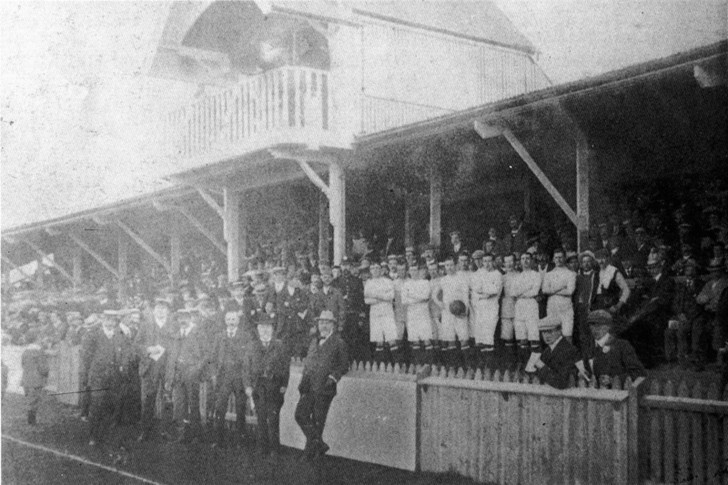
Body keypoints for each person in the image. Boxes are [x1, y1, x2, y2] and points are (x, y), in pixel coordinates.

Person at [295, 310, 349, 461]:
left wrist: (332, 378)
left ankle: (310, 452)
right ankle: (319, 444)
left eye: (327, 322)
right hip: (309, 386)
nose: (323, 325)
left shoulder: (339, 343)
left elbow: (344, 365)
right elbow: (308, 363)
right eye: (321, 322)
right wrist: (303, 381)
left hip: (325, 388)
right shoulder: (314, 341)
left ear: (333, 325)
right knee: (301, 415)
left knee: (318, 421)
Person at [243, 314, 290, 458]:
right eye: (261, 327)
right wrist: (248, 386)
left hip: (274, 386)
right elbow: (246, 368)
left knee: (273, 419)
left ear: (272, 329)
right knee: (261, 418)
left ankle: (275, 449)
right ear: (257, 329)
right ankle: (261, 448)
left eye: (268, 327)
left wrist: (284, 384)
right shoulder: (252, 346)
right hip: (258, 386)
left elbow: (285, 367)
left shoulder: (279, 345)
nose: (264, 330)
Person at [84, 310, 133, 447]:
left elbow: (126, 352)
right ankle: (93, 435)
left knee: (112, 406)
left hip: (115, 377)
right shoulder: (93, 335)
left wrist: (123, 365)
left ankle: (107, 435)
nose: (110, 322)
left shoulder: (120, 335)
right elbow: (86, 356)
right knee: (96, 405)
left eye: (113, 320)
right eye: (107, 319)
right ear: (103, 319)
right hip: (98, 376)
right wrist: (91, 373)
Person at [134, 296, 178, 442]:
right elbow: (136, 346)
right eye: (158, 308)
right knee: (148, 400)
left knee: (167, 400)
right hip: (150, 368)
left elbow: (176, 348)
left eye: (164, 308)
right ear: (153, 310)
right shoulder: (145, 325)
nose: (161, 311)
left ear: (168, 311)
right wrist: (148, 349)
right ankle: (145, 431)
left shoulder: (173, 326)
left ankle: (165, 430)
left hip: (167, 368)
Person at [624, 253, 674, 368]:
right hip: (647, 313)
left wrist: (649, 304)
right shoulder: (649, 282)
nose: (651, 270)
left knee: (640, 325)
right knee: (632, 326)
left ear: (660, 266)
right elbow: (643, 299)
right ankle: (637, 359)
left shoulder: (667, 281)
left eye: (654, 267)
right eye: (650, 268)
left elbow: (661, 301)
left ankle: (648, 361)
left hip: (661, 314)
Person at [165, 308, 204, 443]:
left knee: (194, 405)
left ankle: (195, 436)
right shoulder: (176, 335)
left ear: (190, 318)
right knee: (179, 406)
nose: (182, 320)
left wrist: (196, 369)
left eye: (185, 317)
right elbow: (171, 357)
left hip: (192, 374)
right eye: (180, 318)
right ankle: (181, 434)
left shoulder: (198, 334)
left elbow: (205, 355)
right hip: (178, 375)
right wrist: (170, 376)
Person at [211, 310, 250, 448]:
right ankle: (218, 440)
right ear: (225, 321)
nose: (231, 322)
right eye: (228, 319)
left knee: (240, 409)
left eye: (233, 319)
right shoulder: (219, 336)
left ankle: (240, 440)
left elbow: (248, 359)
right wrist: (215, 374)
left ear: (238, 321)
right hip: (224, 378)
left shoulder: (245, 336)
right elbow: (213, 357)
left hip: (240, 378)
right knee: (220, 408)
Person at [587, 310, 645, 386]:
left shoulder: (622, 346)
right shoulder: (589, 348)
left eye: (599, 326)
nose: (595, 329)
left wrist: (614, 379)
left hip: (618, 392)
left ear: (608, 327)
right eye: (592, 326)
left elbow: (638, 372)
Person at [529, 315, 584, 389]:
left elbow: (561, 383)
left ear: (559, 331)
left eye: (550, 331)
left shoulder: (568, 350)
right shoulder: (547, 350)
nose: (546, 336)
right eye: (543, 332)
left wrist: (541, 366)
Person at [436, 255, 471, 368]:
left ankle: (467, 367)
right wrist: (439, 303)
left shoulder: (461, 278)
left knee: (463, 339)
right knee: (450, 339)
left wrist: (466, 310)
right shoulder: (443, 280)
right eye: (447, 265)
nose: (449, 267)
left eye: (451, 265)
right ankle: (453, 367)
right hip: (447, 312)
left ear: (455, 265)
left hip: (460, 312)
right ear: (445, 267)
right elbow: (434, 295)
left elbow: (466, 296)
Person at [470, 253, 502, 367]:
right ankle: (482, 366)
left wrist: (483, 291)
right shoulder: (480, 274)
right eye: (484, 261)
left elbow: (495, 290)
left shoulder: (497, 274)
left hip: (492, 309)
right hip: (480, 309)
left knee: (489, 337)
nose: (487, 264)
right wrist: (485, 292)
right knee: (480, 338)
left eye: (489, 261)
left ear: (493, 262)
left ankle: (490, 367)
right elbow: (476, 289)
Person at [401, 260, 434, 365]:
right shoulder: (406, 284)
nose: (414, 272)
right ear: (409, 271)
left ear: (419, 271)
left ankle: (429, 364)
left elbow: (425, 297)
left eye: (415, 270)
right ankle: (418, 364)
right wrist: (418, 298)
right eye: (411, 270)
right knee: (415, 340)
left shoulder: (425, 282)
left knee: (426, 339)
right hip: (412, 315)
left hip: (423, 314)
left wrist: (411, 295)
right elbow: (404, 301)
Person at [541, 248, 576, 343]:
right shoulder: (548, 274)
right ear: (553, 259)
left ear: (564, 258)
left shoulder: (570, 274)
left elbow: (570, 291)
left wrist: (552, 290)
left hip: (566, 308)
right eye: (556, 257)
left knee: (567, 335)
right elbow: (544, 290)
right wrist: (561, 287)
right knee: (553, 335)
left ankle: (568, 357)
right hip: (552, 307)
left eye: (561, 257)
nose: (558, 260)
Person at [364, 262, 397, 364]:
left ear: (381, 270)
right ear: (370, 271)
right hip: (375, 313)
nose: (376, 270)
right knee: (378, 340)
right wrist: (383, 296)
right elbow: (367, 300)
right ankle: (380, 365)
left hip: (387, 312)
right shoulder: (368, 283)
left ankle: (396, 364)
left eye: (378, 268)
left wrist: (375, 295)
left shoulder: (388, 281)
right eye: (373, 268)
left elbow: (391, 296)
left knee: (391, 339)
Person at [513, 252, 542, 363]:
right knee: (522, 338)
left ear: (532, 261)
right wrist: (527, 291)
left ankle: (534, 366)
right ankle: (525, 366)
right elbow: (514, 292)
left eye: (527, 258)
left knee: (534, 336)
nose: (525, 261)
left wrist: (522, 293)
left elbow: (535, 291)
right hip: (520, 306)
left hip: (531, 306)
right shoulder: (517, 276)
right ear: (520, 261)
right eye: (523, 258)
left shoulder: (536, 275)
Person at [21, 331, 49, 425]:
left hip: (26, 378)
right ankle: (31, 420)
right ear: (36, 339)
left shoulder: (26, 351)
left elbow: (23, 364)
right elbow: (43, 367)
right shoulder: (39, 350)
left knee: (30, 398)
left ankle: (31, 419)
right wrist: (46, 373)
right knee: (34, 400)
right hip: (36, 378)